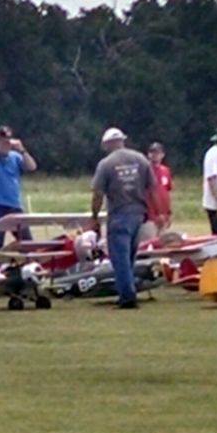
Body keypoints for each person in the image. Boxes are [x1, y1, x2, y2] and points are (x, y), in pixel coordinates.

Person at [90, 127, 157, 310]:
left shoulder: (106, 164)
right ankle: (130, 289)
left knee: (119, 259)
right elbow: (151, 188)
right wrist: (154, 213)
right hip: (138, 214)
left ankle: (127, 297)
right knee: (130, 258)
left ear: (108, 144)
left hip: (119, 215)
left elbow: (98, 194)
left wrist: (94, 216)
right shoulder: (141, 159)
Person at [0, 125, 38, 250]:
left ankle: (28, 265)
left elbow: (32, 166)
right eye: (3, 141)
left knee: (26, 242)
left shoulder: (15, 157)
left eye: (8, 140)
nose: (6, 144)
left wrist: (22, 150)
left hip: (14, 205)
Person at [143, 142, 173, 240]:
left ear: (162, 155)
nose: (155, 155)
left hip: (164, 216)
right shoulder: (145, 170)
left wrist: (168, 213)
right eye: (152, 152)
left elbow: (167, 192)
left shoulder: (165, 171)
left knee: (163, 243)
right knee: (149, 242)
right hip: (150, 216)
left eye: (158, 153)